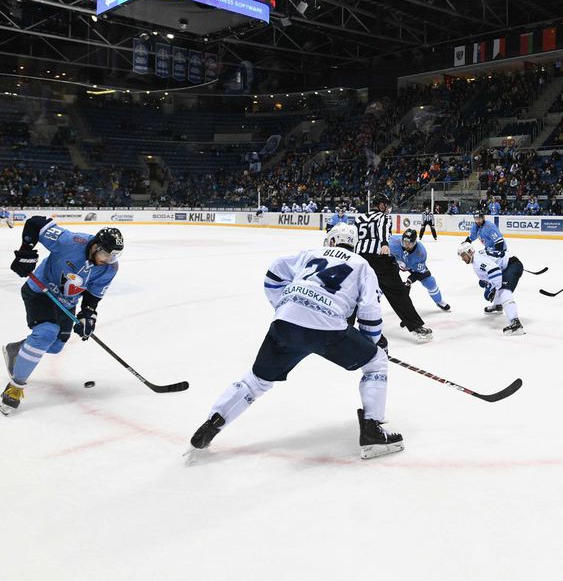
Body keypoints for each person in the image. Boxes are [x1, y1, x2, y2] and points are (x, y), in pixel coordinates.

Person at [187, 223, 402, 459]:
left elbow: (274, 273)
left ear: (331, 241)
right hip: (328, 329)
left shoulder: (309, 253)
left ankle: (211, 424)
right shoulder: (362, 265)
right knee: (376, 363)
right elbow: (370, 311)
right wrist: (372, 344)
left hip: (286, 322)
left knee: (255, 381)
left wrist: (285, 306)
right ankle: (372, 431)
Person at [0, 218, 123, 415]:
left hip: (66, 303)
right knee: (46, 333)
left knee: (55, 346)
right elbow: (35, 224)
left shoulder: (110, 268)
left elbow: (93, 295)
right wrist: (26, 251)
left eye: (112, 257)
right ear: (96, 246)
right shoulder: (70, 241)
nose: (108, 260)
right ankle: (15, 387)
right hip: (40, 290)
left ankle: (17, 350)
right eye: (106, 255)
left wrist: (87, 315)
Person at [355, 194, 432, 341]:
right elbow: (384, 231)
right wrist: (384, 244)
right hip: (379, 259)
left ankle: (346, 324)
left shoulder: (360, 218)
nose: (388, 209)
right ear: (381, 205)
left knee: (357, 292)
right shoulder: (383, 217)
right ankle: (416, 327)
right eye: (387, 205)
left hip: (360, 258)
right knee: (398, 293)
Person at [457, 241, 525, 335]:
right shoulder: (477, 258)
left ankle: (515, 323)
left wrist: (493, 288)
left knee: (503, 290)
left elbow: (495, 271)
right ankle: (498, 306)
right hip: (509, 265)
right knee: (495, 286)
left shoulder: (478, 260)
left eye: (463, 255)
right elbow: (490, 274)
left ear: (470, 252)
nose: (462, 258)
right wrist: (490, 286)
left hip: (512, 265)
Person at [390, 228, 449, 312]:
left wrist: (409, 281)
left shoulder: (420, 253)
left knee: (430, 281)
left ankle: (439, 301)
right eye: (404, 242)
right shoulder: (393, 241)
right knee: (382, 280)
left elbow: (419, 273)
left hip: (412, 266)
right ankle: (374, 301)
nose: (406, 246)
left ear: (414, 243)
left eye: (409, 244)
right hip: (394, 263)